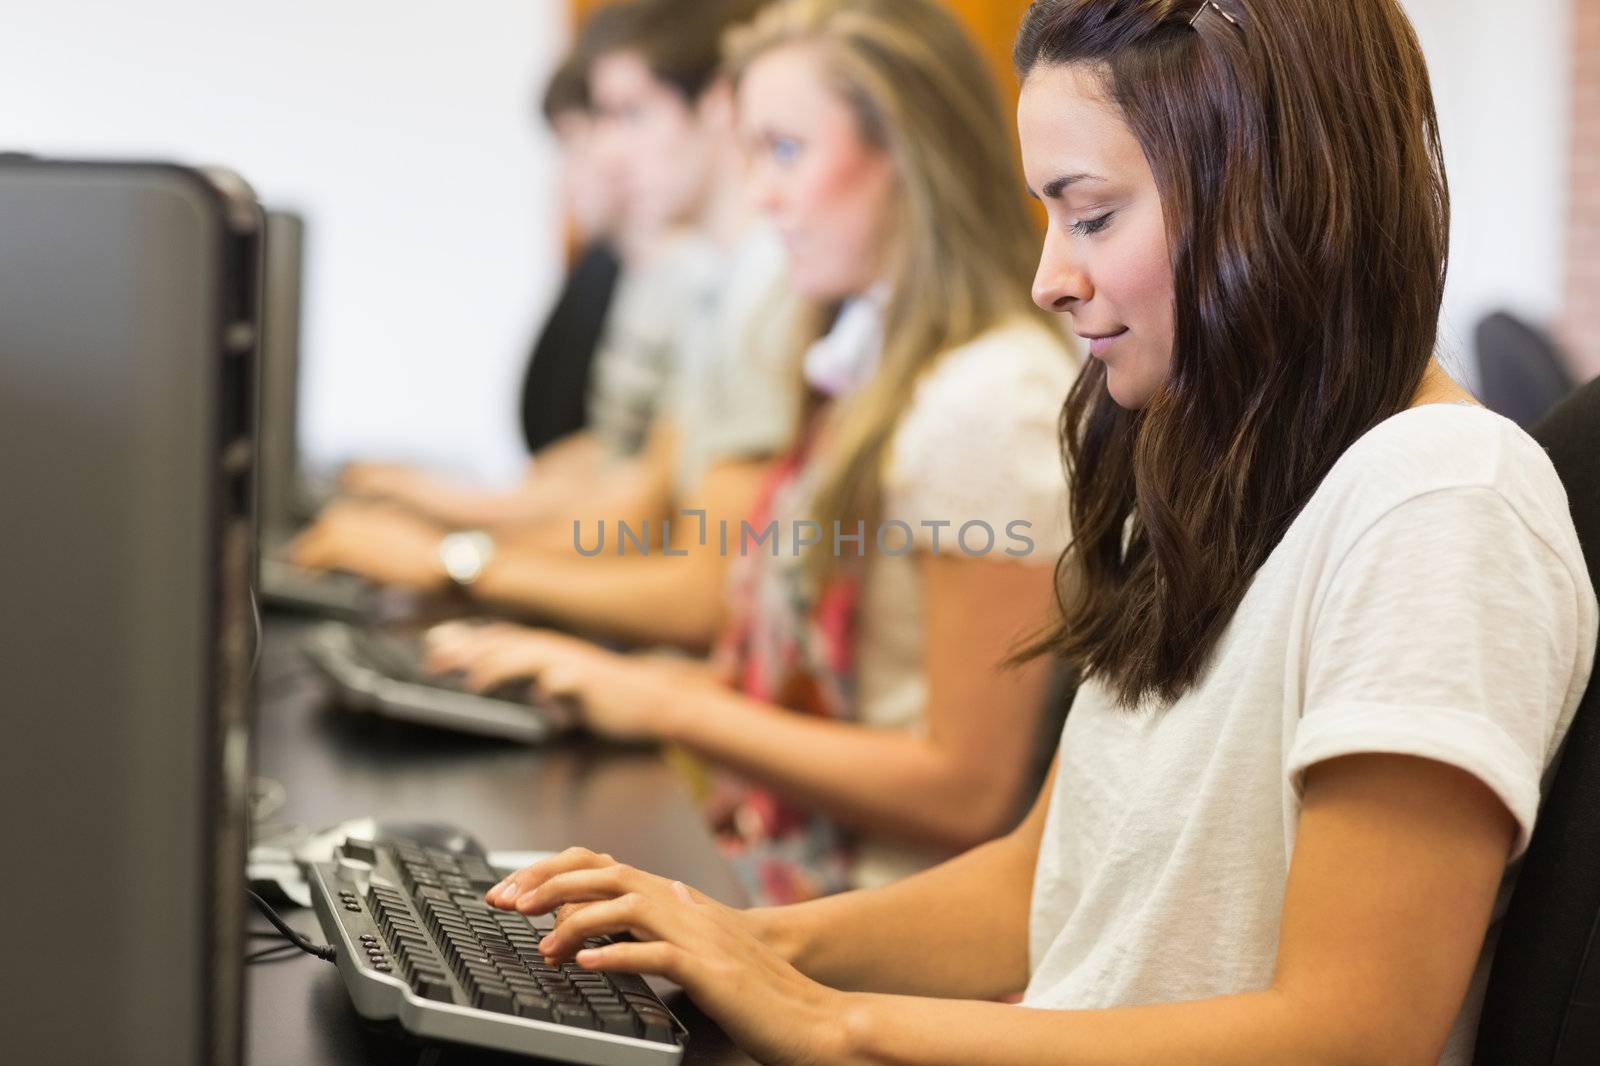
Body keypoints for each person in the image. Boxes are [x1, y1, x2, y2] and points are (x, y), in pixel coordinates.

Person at [468, 1, 1599, 1063]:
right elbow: (1038, 882)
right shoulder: (1214, 465)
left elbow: (1352, 1031)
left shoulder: (1441, 500)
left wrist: (842, 1027)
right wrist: (736, 942)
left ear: (1273, 195)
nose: (1051, 276)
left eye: (1092, 213)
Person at [429, 0, 1080, 903]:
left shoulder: (989, 400)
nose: (761, 195)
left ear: (906, 152)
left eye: (783, 151)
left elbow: (964, 791)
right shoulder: (867, 357)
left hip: (867, 915)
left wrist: (665, 702)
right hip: (786, 860)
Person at [294, 0, 809, 651]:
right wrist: (448, 528)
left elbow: (695, 579)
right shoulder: (721, 283)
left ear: (716, 105)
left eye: (631, 114)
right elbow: (636, 483)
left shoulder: (757, 287)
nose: (608, 154)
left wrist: (456, 558)